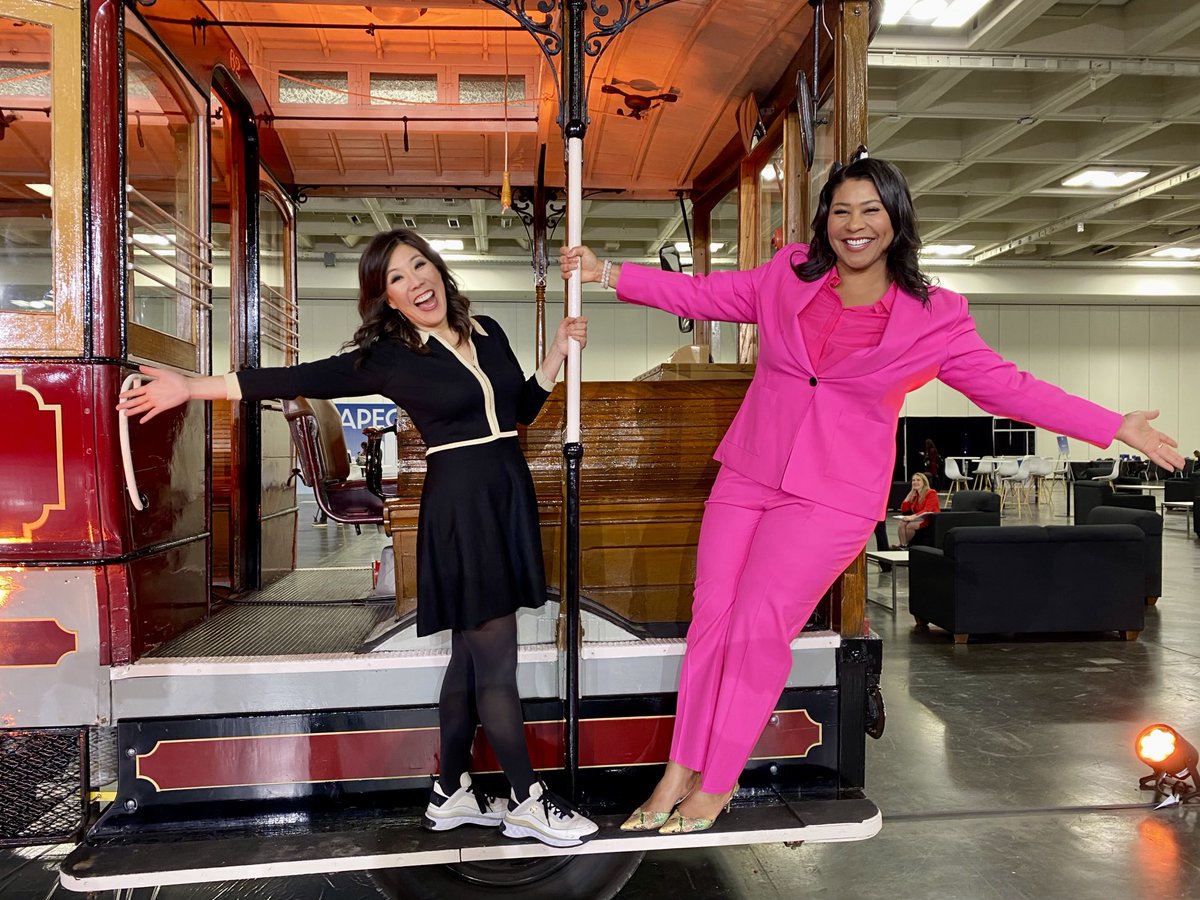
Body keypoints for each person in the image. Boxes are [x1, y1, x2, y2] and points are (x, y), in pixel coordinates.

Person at [560, 156, 1184, 835]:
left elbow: (1010, 386)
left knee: (757, 629)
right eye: (841, 211)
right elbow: (708, 295)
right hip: (749, 471)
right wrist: (610, 274)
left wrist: (1110, 424)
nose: (854, 225)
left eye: (870, 211)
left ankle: (718, 779)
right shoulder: (790, 275)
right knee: (710, 621)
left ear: (896, 221)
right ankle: (677, 770)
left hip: (831, 496)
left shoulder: (935, 316)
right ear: (826, 220)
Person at [119, 228, 598, 848]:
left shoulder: (488, 332)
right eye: (396, 278)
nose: (414, 282)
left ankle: (449, 793)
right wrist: (192, 386)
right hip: (462, 509)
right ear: (387, 299)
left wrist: (557, 351)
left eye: (418, 266)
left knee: (469, 659)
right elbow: (286, 376)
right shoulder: (389, 359)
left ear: (438, 270)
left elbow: (521, 411)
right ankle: (528, 801)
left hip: (505, 494)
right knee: (496, 664)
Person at [896, 472, 939, 547]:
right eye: (913, 480)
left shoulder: (931, 493)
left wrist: (912, 517)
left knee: (910, 526)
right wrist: (910, 494)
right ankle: (903, 545)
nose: (915, 482)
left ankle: (906, 545)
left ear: (924, 483)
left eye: (918, 480)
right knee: (901, 523)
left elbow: (927, 510)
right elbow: (904, 509)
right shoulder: (916, 495)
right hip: (918, 518)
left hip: (928, 518)